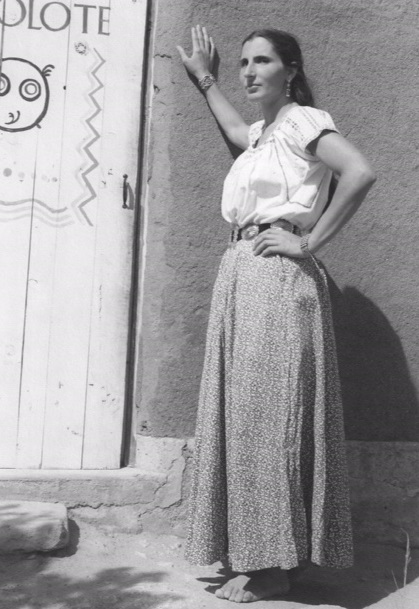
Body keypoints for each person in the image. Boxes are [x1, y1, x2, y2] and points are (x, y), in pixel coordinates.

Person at [177, 25, 376, 604]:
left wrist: (308, 243)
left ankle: (271, 567)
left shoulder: (303, 121)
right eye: (243, 62)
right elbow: (237, 131)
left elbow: (360, 172)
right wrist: (206, 79)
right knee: (244, 416)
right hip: (242, 273)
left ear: (290, 70)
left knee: (268, 420)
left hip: (276, 276)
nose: (249, 71)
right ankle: (259, 551)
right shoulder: (265, 133)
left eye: (262, 61)